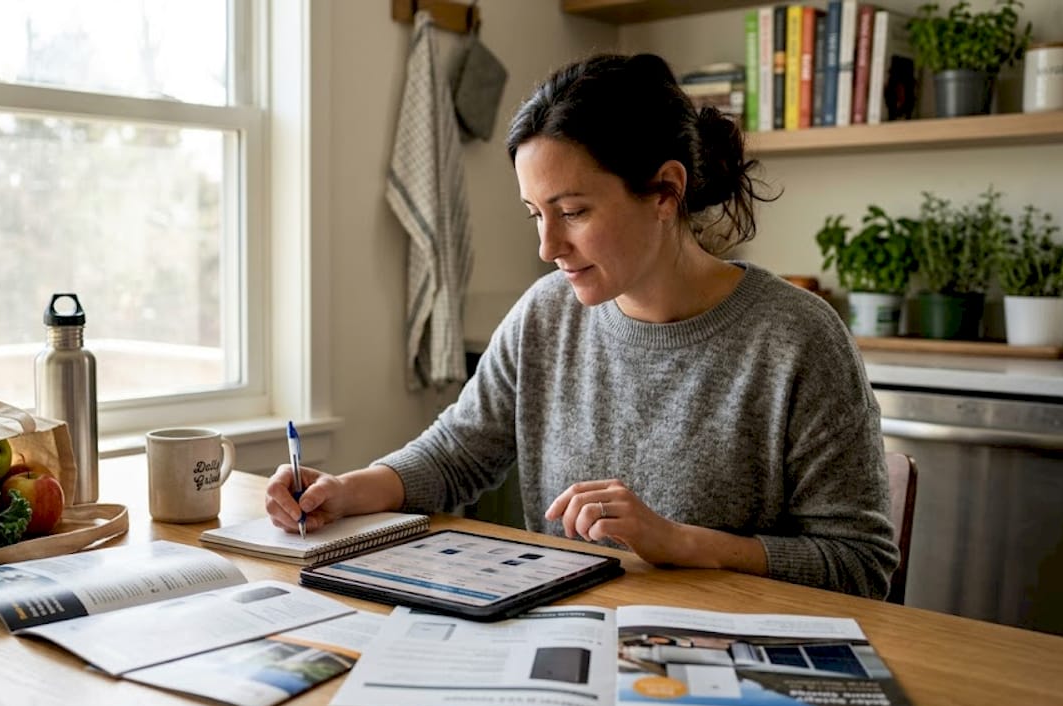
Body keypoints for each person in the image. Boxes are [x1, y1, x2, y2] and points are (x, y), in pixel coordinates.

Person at [265, 53, 898, 599]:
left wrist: (680, 542)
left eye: (572, 211)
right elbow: (456, 455)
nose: (548, 246)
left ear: (665, 192)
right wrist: (343, 492)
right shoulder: (547, 314)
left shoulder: (797, 338)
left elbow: (859, 566)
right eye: (534, 214)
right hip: (562, 651)